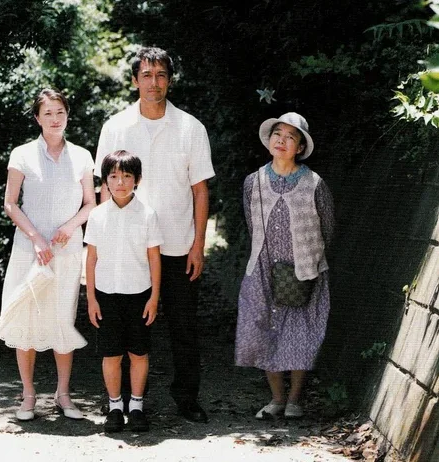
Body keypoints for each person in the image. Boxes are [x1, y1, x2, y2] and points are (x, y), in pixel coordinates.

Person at [95, 47, 215, 423]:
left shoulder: (191, 128)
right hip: (128, 250)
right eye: (146, 75)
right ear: (135, 80)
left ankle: (187, 399)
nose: (153, 82)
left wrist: (198, 244)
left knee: (183, 326)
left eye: (161, 74)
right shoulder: (115, 127)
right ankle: (124, 402)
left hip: (178, 243)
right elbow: (105, 190)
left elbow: (200, 190)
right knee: (125, 329)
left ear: (170, 81)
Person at [0, 88, 96, 421]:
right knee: (26, 316)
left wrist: (70, 226)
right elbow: (10, 203)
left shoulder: (82, 156)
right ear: (37, 118)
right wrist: (36, 238)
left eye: (60, 112)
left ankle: (63, 395)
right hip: (29, 249)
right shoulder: (22, 154)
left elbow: (91, 203)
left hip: (66, 249)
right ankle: (28, 394)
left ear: (68, 115)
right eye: (48, 113)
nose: (55, 119)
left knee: (63, 317)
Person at [235, 112, 335, 420]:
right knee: (263, 328)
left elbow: (327, 227)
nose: (282, 140)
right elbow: (252, 224)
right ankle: (277, 398)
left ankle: (294, 400)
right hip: (262, 267)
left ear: (300, 147)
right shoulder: (253, 182)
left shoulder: (314, 184)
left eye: (291, 137)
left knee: (300, 333)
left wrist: (309, 259)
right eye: (277, 134)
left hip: (303, 268)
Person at [85, 150, 163, 433]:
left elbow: (154, 258)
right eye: (114, 176)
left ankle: (137, 406)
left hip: (139, 294)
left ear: (137, 180)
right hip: (106, 295)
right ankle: (115, 407)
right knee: (112, 355)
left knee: (139, 353)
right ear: (105, 180)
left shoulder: (148, 214)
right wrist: (91, 299)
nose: (120, 182)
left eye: (127, 176)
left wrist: (154, 297)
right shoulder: (97, 215)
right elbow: (91, 259)